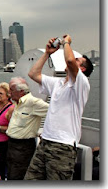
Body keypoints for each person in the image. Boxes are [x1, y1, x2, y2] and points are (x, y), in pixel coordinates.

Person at [25, 35, 94, 180]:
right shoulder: (58, 83)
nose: (72, 60)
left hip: (63, 147)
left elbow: (69, 60)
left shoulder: (81, 84)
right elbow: (33, 74)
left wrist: (66, 42)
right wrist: (47, 53)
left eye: (78, 60)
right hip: (45, 142)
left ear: (81, 69)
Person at [5, 77, 49, 180]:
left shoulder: (33, 102)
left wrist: (47, 133)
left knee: (18, 176)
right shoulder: (17, 103)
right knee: (11, 173)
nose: (9, 93)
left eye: (11, 90)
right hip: (12, 145)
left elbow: (54, 112)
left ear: (21, 92)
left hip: (23, 147)